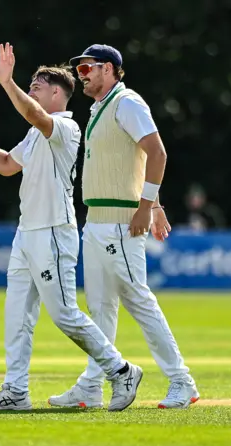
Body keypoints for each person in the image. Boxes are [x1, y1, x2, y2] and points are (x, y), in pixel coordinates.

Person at [0, 43, 142, 412]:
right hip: (28, 233)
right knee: (17, 316)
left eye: (36, 86)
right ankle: (15, 391)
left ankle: (121, 370)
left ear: (57, 92)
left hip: (54, 230)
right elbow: (8, 165)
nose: (31, 91)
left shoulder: (65, 126)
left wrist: (6, 83)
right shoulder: (37, 131)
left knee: (64, 313)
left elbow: (35, 115)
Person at [48, 44, 199, 410]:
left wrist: (148, 207)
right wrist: (155, 204)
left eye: (88, 69)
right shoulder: (100, 107)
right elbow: (138, 161)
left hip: (121, 223)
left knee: (138, 300)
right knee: (99, 308)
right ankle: (91, 385)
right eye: (80, 70)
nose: (82, 76)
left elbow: (157, 151)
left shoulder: (127, 102)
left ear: (110, 70)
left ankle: (182, 381)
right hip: (98, 221)